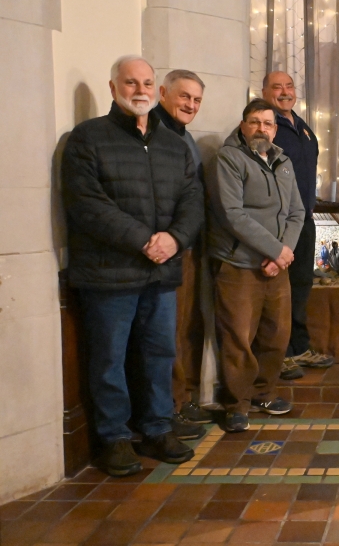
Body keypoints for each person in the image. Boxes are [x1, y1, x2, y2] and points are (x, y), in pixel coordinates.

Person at [62, 55, 204, 476]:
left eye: (146, 82)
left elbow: (193, 200)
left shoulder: (174, 145)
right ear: (112, 88)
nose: (139, 90)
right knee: (109, 359)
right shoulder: (87, 139)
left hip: (160, 273)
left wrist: (175, 238)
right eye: (130, 83)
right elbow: (87, 205)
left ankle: (158, 428)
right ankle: (115, 438)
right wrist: (144, 240)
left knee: (160, 354)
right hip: (109, 274)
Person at [207, 98, 305, 432]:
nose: (261, 128)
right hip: (240, 264)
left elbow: (297, 212)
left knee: (277, 334)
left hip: (277, 265)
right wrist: (276, 250)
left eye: (267, 123)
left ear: (275, 129)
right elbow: (233, 214)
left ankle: (264, 393)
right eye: (255, 121)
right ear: (243, 124)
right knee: (239, 338)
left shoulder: (284, 160)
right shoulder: (229, 158)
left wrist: (284, 252)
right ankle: (237, 403)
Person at [261, 71, 334, 381]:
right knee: (279, 291)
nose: (284, 92)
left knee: (301, 284)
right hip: (279, 224)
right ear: (265, 91)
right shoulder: (266, 127)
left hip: (304, 219)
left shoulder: (301, 127)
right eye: (277, 87)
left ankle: (299, 347)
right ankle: (281, 354)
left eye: (289, 86)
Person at [153, 69, 213, 434]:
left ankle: (182, 398)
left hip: (187, 247)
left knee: (185, 327)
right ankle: (168, 408)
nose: (190, 105)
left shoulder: (184, 137)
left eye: (196, 100)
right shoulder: (154, 135)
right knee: (166, 334)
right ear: (163, 93)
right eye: (184, 96)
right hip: (165, 249)